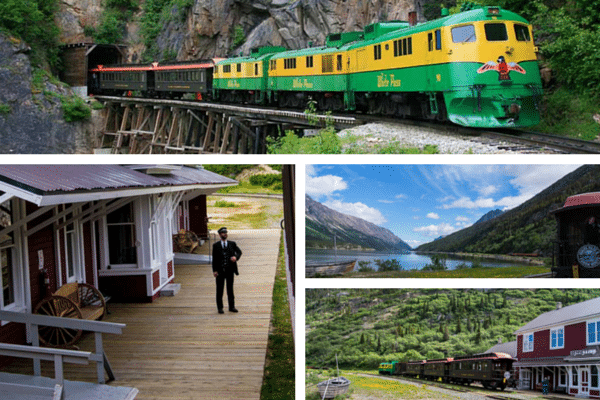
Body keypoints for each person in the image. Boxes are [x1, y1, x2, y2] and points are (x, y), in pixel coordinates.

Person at [212, 227, 242, 314]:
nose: (224, 234)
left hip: (230, 270)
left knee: (230, 289)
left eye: (225, 232)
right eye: (222, 233)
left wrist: (235, 257)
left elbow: (239, 252)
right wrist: (214, 270)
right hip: (220, 271)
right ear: (219, 235)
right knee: (219, 290)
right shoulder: (216, 245)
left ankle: (231, 307)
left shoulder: (232, 244)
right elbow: (214, 260)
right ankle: (220, 308)